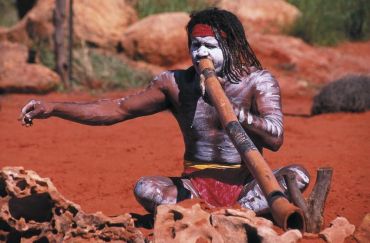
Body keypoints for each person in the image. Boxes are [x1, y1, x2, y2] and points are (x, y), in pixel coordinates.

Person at [19, 8, 309, 214]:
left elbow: (276, 137)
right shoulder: (175, 84)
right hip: (194, 186)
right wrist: (54, 107)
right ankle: (221, 214)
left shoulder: (258, 81)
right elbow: (117, 108)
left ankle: (225, 212)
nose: (201, 54)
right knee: (147, 189)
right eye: (195, 46)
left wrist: (234, 112)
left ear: (230, 47)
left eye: (210, 46)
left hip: (249, 184)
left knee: (298, 175)